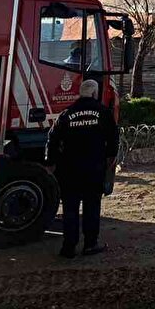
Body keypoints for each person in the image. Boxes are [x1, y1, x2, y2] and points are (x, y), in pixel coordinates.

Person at [45, 79, 119, 258]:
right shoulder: (103, 113)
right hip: (94, 167)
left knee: (70, 208)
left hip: (69, 168)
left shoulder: (66, 114)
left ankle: (68, 247)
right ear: (94, 93)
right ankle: (90, 244)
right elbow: (113, 138)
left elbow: (52, 139)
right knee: (91, 206)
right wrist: (110, 158)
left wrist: (50, 162)